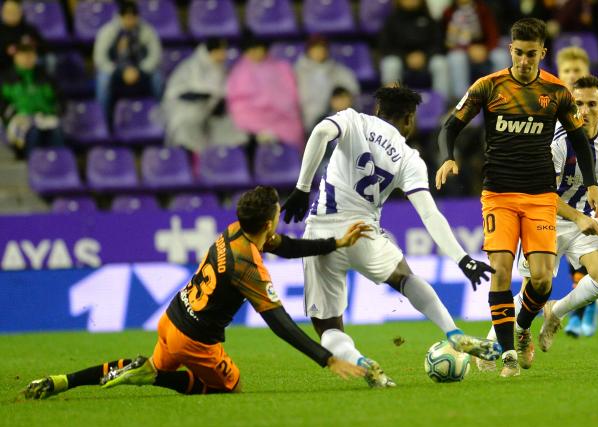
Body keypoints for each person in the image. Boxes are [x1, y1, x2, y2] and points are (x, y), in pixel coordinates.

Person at [22, 186, 370, 400]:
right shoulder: (247, 265)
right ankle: (155, 377)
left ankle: (64, 380)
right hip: (194, 341)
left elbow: (287, 246)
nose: (279, 218)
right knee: (229, 387)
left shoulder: (235, 231)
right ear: (268, 222)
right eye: (277, 213)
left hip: (172, 319)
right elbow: (279, 323)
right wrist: (327, 358)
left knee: (145, 363)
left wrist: (336, 243)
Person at [280, 85, 502, 388]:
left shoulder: (353, 120)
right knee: (405, 278)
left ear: (377, 110)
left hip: (321, 231)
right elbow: (429, 214)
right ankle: (452, 332)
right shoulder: (410, 158)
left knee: (329, 327)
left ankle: (362, 363)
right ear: (409, 119)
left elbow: (320, 132)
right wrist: (462, 258)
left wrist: (302, 188)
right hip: (363, 234)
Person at [435, 18, 598, 377]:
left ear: (543, 52)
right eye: (519, 52)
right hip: (498, 194)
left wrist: (590, 183)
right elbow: (451, 125)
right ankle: (507, 352)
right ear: (510, 50)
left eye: (532, 53)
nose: (525, 60)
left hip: (541, 195)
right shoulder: (489, 86)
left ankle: (524, 327)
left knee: (542, 280)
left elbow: (578, 140)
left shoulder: (557, 92)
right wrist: (447, 157)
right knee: (500, 274)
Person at [520, 76, 598, 355]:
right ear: (570, 106)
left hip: (583, 217)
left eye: (592, 104)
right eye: (578, 104)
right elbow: (543, 193)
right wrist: (578, 218)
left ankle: (557, 312)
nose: (585, 110)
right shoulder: (557, 141)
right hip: (546, 217)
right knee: (536, 288)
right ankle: (504, 338)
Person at [162, 38, 247, 154]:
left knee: (232, 127)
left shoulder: (220, 68)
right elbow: (177, 92)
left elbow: (222, 93)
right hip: (185, 111)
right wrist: (205, 96)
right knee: (188, 133)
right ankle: (195, 161)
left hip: (208, 112)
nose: (224, 54)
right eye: (221, 51)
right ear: (213, 51)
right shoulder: (193, 66)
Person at [226, 34, 304, 151]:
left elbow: (290, 93)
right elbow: (236, 101)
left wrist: (275, 105)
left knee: (295, 129)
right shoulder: (238, 71)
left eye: (258, 48)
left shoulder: (281, 67)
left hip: (280, 115)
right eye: (251, 50)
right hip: (253, 116)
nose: (255, 52)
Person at [93, 0, 162, 126]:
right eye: (126, 17)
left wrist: (140, 70)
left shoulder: (146, 31)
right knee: (102, 80)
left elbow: (155, 55)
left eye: (133, 17)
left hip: (139, 70)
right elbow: (100, 59)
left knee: (157, 77)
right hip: (116, 70)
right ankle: (104, 121)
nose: (130, 21)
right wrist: (119, 72)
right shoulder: (108, 31)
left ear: (137, 17)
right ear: (120, 16)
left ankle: (159, 116)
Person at [0, 41, 64, 158]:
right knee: (33, 132)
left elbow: (59, 98)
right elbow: (3, 105)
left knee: (56, 130)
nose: (27, 58)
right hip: (19, 119)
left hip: (45, 116)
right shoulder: (6, 78)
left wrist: (56, 111)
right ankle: (32, 166)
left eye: (30, 55)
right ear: (16, 57)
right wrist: (12, 115)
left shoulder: (44, 76)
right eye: (23, 55)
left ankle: (58, 165)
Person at [295, 35, 359, 133]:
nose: (319, 52)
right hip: (302, 122)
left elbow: (351, 93)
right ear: (308, 50)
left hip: (334, 120)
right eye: (315, 48)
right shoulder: (296, 72)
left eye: (322, 48)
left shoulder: (341, 71)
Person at [0, 0, 43, 72]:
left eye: (13, 11)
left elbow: (44, 47)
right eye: (7, 11)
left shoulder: (29, 29)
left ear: (20, 12)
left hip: (31, 69)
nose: (10, 14)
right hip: (5, 69)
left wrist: (32, 46)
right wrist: (7, 52)